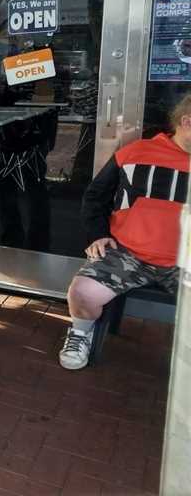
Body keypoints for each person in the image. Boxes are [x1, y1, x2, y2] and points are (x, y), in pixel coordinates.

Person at [59, 94, 191, 370]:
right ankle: (81, 331)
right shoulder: (136, 153)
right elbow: (96, 197)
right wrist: (97, 234)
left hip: (185, 262)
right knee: (82, 292)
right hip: (128, 253)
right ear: (186, 122)